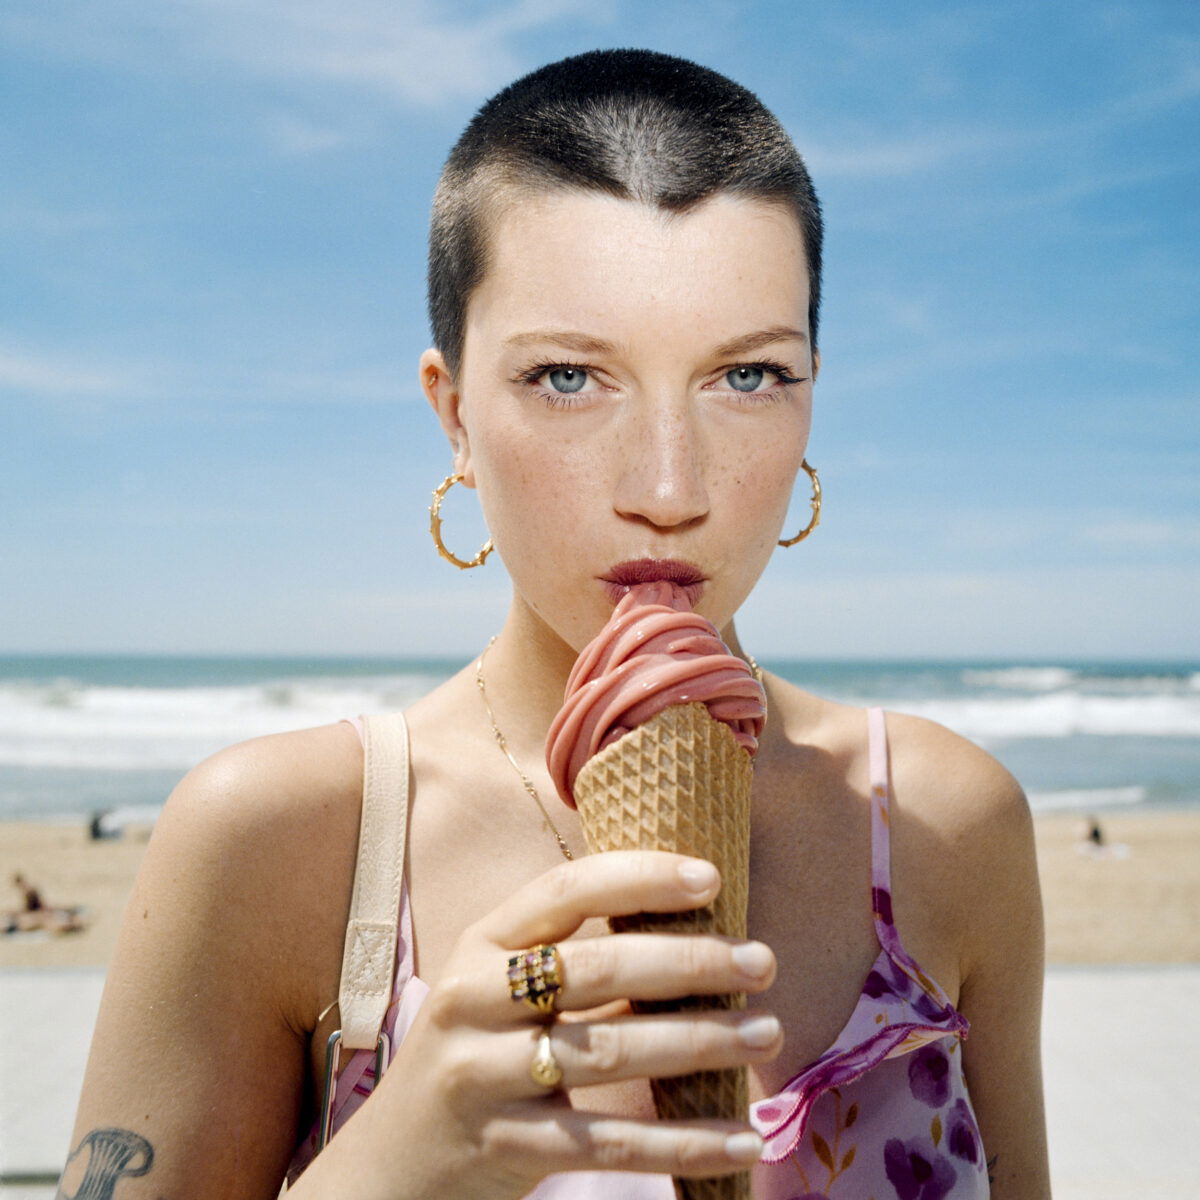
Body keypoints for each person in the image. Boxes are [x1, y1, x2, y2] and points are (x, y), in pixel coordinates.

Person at [61, 49, 1050, 1198]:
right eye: (570, 378)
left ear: (813, 392)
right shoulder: (284, 845)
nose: (670, 488)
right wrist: (387, 1168)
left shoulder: (943, 826)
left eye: (749, 377)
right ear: (454, 416)